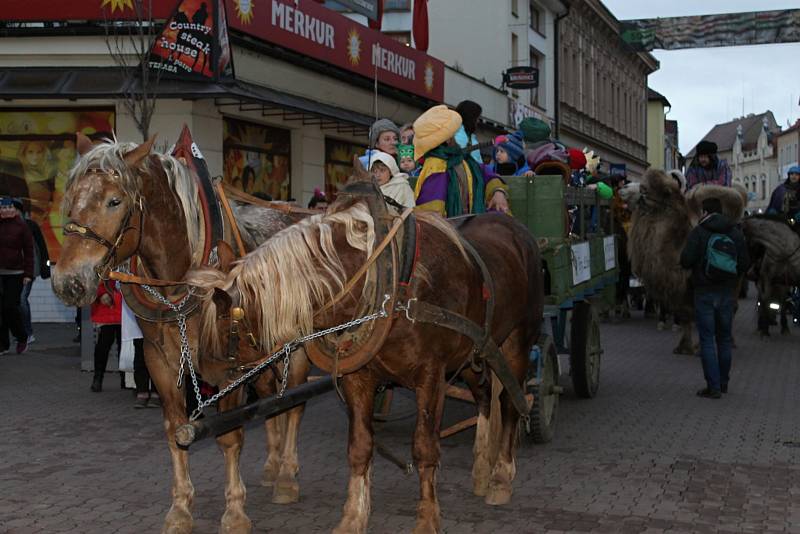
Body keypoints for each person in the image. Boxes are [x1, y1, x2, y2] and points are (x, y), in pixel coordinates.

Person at [680, 197, 750, 399]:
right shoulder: (734, 232)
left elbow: (685, 260)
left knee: (707, 340)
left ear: (704, 211)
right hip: (727, 292)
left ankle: (713, 387)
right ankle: (724, 382)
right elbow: (745, 263)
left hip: (703, 292)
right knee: (725, 339)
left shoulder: (699, 232)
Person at [413, 105, 509, 216]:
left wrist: (498, 191)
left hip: (470, 224)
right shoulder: (436, 167)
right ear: (448, 139)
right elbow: (432, 213)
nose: (456, 137)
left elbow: (485, 173)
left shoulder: (460, 158)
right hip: (455, 228)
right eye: (454, 134)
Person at [12, 199, 49, 344]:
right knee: (13, 302)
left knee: (21, 300)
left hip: (29, 270)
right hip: (11, 271)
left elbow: (41, 247)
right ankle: (19, 333)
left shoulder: (30, 226)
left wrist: (44, 269)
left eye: (14, 209)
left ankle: (27, 333)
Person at [0, 196, 33, 355]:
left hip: (16, 273)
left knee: (10, 306)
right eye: (3, 208)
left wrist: (28, 274)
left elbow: (29, 252)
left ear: (14, 209)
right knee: (1, 310)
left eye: (9, 208)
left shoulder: (22, 226)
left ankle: (22, 337)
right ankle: (3, 344)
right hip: (1, 273)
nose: (6, 211)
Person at [90, 282, 122, 393]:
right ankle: (98, 378)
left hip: (123, 307)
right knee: (103, 348)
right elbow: (93, 278)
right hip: (108, 306)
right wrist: (101, 293)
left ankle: (125, 379)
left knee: (124, 348)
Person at [454, 100, 483, 165]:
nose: (478, 121)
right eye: (477, 117)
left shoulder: (451, 132)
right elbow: (478, 165)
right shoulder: (460, 136)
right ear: (471, 117)